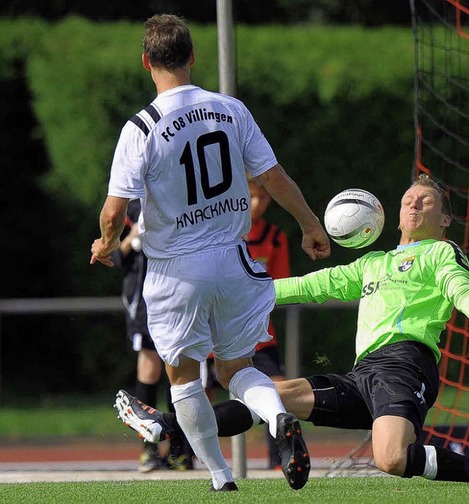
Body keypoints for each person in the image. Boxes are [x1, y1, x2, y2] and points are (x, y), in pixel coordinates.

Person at [114, 174, 469, 485]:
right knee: (272, 396)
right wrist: (241, 289)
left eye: (425, 200)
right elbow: (312, 284)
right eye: (408, 199)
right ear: (395, 214)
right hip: (362, 374)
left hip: (405, 367)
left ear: (444, 219)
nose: (414, 202)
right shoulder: (373, 263)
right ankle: (168, 428)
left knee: (390, 460)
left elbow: (460, 288)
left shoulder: (440, 254)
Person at [90, 14, 331, 492]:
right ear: (193, 57)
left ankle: (221, 478)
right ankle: (278, 418)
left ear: (146, 62)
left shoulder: (142, 127)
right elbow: (273, 177)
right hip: (234, 260)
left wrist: (105, 243)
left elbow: (114, 211)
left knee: (182, 379)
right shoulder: (230, 109)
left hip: (176, 270)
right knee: (237, 369)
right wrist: (310, 224)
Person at [202, 176, 291, 469]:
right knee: (195, 393)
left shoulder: (276, 238)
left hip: (259, 338)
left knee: (276, 389)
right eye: (249, 196)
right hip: (213, 337)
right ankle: (186, 458)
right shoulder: (214, 234)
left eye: (262, 198)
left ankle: (281, 459)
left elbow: (280, 288)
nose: (255, 204)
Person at [112, 199, 195, 472]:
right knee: (150, 368)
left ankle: (180, 450)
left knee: (180, 367)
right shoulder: (130, 203)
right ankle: (149, 449)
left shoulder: (178, 193)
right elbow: (115, 257)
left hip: (180, 291)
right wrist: (133, 235)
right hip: (145, 302)